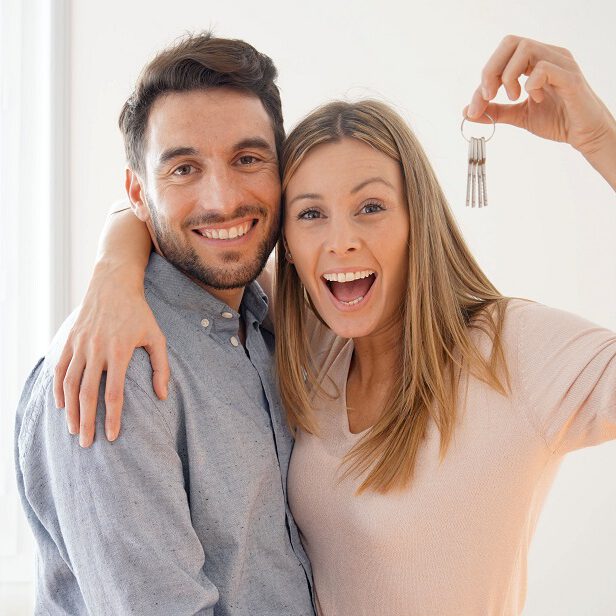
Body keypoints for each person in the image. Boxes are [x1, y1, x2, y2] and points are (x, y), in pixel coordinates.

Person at [53, 36, 615, 614]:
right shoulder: (310, 341)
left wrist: (601, 140)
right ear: (288, 244)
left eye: (371, 207)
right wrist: (113, 269)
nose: (341, 239)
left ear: (416, 218)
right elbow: (190, 214)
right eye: (311, 214)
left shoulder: (512, 349)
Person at [14, 33, 314, 615]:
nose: (223, 199)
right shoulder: (113, 368)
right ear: (137, 193)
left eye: (248, 159)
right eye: (183, 168)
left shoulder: (276, 318)